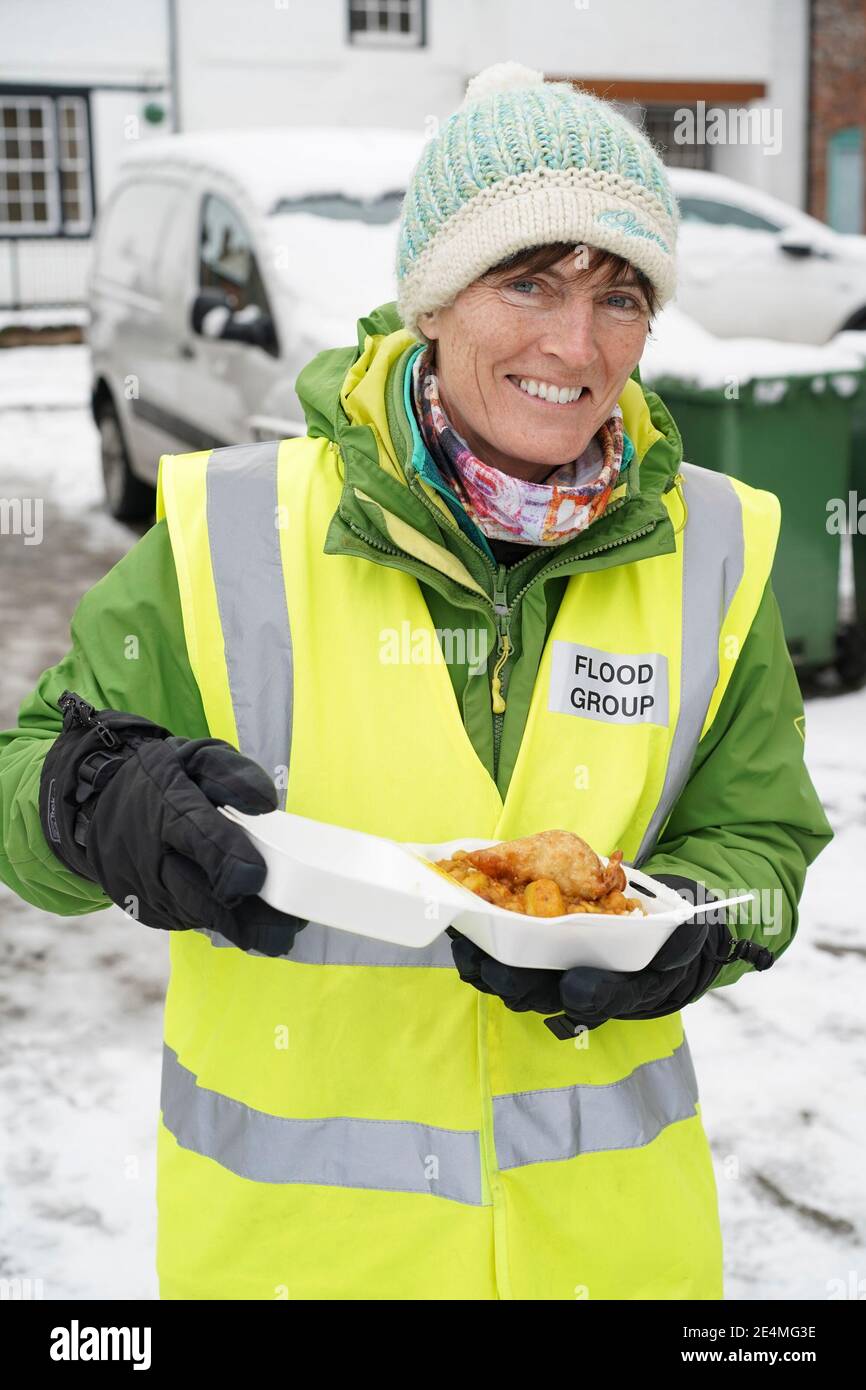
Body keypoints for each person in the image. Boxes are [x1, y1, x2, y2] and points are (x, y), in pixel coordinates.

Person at [0, 62, 833, 1301]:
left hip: (609, 1266)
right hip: (299, 1270)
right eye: (529, 280)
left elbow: (759, 841)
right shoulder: (237, 530)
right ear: (434, 299)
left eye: (619, 295)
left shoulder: (709, 547)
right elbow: (25, 789)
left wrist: (691, 929)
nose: (573, 341)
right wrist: (99, 801)